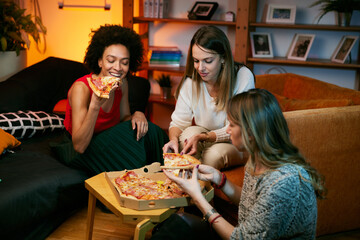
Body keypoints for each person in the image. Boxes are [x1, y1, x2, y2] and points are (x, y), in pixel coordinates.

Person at [153, 89, 326, 240]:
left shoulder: (284, 182)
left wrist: (198, 198)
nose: (227, 130)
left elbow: (240, 238)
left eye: (232, 125)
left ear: (251, 132)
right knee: (174, 225)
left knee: (176, 230)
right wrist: (218, 178)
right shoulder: (259, 158)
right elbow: (251, 203)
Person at [61, 24, 168, 175]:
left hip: (106, 141)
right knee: (137, 150)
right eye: (111, 60)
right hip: (79, 149)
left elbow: (124, 119)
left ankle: (166, 176)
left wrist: (138, 114)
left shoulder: (122, 84)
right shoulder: (82, 88)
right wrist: (95, 105)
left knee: (151, 131)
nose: (118, 68)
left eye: (124, 62)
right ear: (100, 61)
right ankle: (143, 182)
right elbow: (79, 146)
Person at [163, 25, 255, 170]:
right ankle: (189, 185)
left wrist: (203, 137)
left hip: (237, 141)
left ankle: (197, 186)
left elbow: (237, 126)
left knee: (212, 155)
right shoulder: (191, 82)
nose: (200, 68)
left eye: (208, 61)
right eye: (196, 60)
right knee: (187, 136)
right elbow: (178, 123)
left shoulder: (243, 77)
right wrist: (173, 140)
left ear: (223, 58)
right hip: (206, 137)